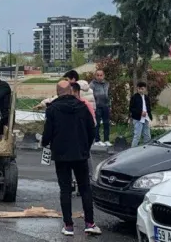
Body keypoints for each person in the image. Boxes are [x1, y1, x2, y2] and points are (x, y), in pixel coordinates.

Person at [41, 80, 100, 236]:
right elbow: (92, 130)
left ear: (58, 92)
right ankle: (90, 223)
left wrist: (46, 143)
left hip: (61, 156)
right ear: (70, 91)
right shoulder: (82, 107)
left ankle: (68, 226)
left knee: (65, 190)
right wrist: (85, 147)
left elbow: (47, 134)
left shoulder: (52, 109)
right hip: (80, 154)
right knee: (85, 188)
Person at [90, 70, 111, 147]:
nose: (99, 77)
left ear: (103, 75)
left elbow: (109, 95)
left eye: (101, 75)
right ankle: (97, 140)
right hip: (97, 106)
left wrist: (109, 105)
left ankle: (106, 140)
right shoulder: (92, 84)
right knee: (97, 124)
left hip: (105, 106)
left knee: (106, 123)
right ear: (95, 76)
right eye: (98, 75)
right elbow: (90, 96)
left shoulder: (107, 84)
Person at [130, 81, 152, 147]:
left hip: (146, 118)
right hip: (138, 118)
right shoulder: (134, 97)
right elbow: (131, 109)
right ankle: (132, 150)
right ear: (137, 89)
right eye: (139, 89)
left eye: (142, 89)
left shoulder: (146, 97)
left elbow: (148, 107)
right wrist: (140, 112)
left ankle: (146, 150)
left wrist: (148, 113)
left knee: (147, 135)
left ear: (145, 89)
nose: (140, 90)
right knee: (137, 136)